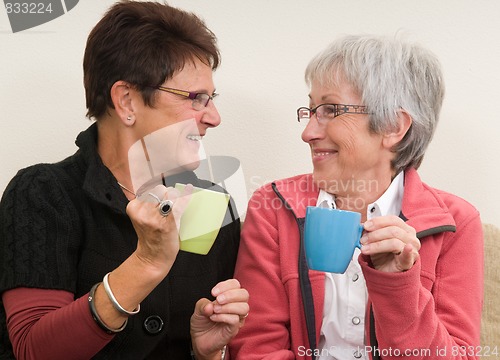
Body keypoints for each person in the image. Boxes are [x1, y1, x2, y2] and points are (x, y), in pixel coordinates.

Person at [0, 1, 249, 359]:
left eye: (212, 99)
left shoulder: (212, 202)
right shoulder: (43, 192)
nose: (214, 117)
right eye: (197, 98)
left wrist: (207, 353)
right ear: (127, 101)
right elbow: (33, 350)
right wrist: (146, 263)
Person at [230, 34, 483, 359]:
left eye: (330, 110)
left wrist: (399, 287)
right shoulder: (274, 206)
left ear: (393, 125)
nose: (307, 133)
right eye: (311, 111)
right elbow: (255, 349)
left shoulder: (456, 223)